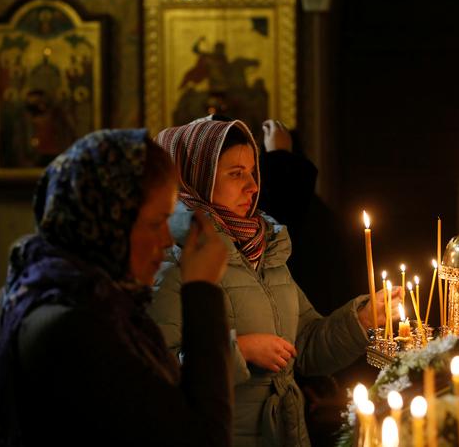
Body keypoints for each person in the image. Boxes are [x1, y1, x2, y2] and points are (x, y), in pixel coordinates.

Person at [148, 115, 397, 446]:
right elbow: (157, 373)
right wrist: (242, 351)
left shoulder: (265, 250)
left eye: (253, 172)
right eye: (236, 174)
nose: (252, 186)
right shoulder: (173, 259)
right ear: (197, 177)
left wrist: (361, 319)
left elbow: (305, 346)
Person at [0, 129, 232, 447]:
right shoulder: (73, 327)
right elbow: (203, 438)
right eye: (156, 223)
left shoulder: (97, 301)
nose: (167, 241)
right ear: (110, 220)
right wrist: (202, 289)